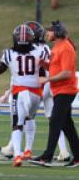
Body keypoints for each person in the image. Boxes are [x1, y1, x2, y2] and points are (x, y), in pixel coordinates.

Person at [0, 21, 70, 161]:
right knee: (54, 120)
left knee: (22, 118)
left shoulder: (29, 50)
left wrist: (9, 92)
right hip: (50, 84)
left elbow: (19, 75)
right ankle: (63, 150)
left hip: (37, 86)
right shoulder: (46, 48)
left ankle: (17, 148)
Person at [0, 25, 45, 167]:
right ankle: (28, 150)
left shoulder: (9, 53)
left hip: (19, 92)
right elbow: (45, 72)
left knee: (17, 125)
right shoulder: (40, 51)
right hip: (37, 93)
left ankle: (17, 155)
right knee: (29, 118)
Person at [30, 21, 79, 168]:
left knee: (55, 122)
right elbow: (55, 67)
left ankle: (47, 156)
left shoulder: (66, 48)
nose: (47, 33)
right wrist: (43, 64)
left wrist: (47, 78)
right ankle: (78, 157)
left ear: (57, 32)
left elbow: (66, 73)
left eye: (50, 31)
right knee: (67, 125)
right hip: (59, 90)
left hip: (66, 90)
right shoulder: (58, 47)